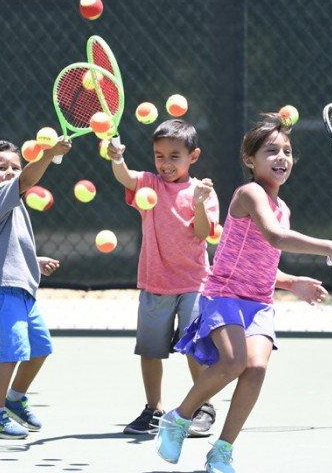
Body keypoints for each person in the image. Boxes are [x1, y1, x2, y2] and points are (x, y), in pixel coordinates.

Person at [154, 114, 332, 473]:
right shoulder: (249, 193)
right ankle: (179, 418)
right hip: (224, 295)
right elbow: (275, 237)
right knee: (234, 361)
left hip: (260, 302)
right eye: (271, 151)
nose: (281, 157)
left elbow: (264, 262)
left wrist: (292, 282)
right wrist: (330, 246)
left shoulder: (284, 208)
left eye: (287, 151)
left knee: (257, 367)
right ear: (250, 160)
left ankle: (221, 452)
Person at [105, 120, 221, 437]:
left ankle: (203, 406)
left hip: (194, 284)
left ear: (193, 156)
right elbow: (125, 176)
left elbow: (202, 233)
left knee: (197, 349)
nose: (165, 164)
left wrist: (198, 202)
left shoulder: (204, 192)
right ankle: (153, 409)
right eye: (159, 156)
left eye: (174, 156)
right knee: (150, 350)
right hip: (155, 283)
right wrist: (117, 157)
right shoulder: (149, 185)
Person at [0, 137, 70, 439]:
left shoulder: (13, 209)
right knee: (12, 352)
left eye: (15, 166)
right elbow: (28, 178)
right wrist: (49, 153)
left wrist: (34, 260)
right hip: (1, 292)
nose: (11, 172)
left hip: (22, 291)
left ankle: (14, 399)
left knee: (40, 348)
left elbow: (9, 248)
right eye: (2, 168)